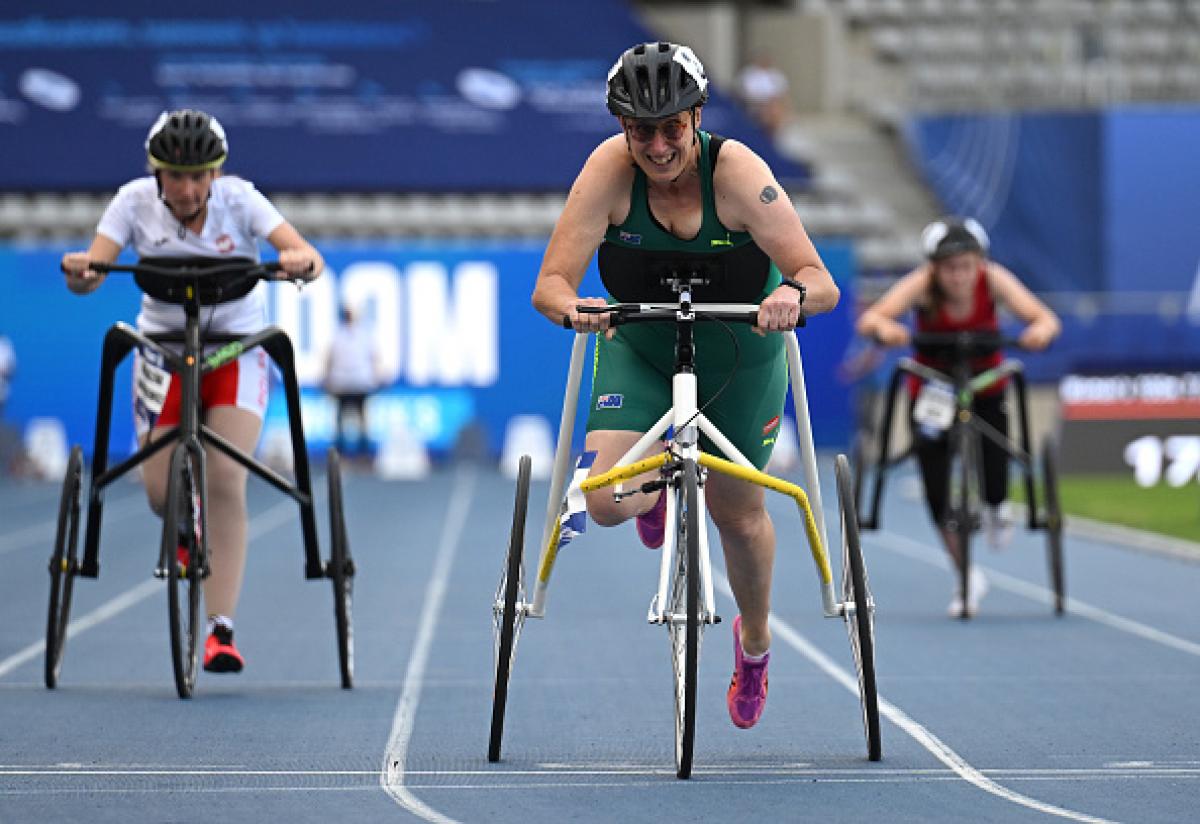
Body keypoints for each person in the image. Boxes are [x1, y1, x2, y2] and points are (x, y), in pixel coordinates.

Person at [531, 42, 839, 730]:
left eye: (673, 127)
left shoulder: (739, 174)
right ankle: (659, 488)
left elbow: (821, 281)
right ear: (622, 128)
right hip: (641, 348)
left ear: (697, 116)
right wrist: (574, 308)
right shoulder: (607, 172)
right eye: (642, 130)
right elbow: (550, 286)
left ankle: (754, 645)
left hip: (739, 353)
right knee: (605, 502)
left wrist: (791, 292)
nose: (659, 145)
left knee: (737, 513)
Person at [60, 109, 324, 672]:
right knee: (159, 492)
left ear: (215, 174)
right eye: (175, 176)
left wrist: (300, 260)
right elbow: (95, 269)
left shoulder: (242, 200)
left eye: (199, 176)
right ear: (156, 175)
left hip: (234, 345)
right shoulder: (131, 202)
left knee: (226, 476)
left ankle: (219, 630)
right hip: (163, 348)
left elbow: (303, 253)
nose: (186, 188)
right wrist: (84, 273)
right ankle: (183, 529)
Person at [855, 216, 1060, 618]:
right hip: (933, 386)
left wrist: (1039, 332)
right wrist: (888, 330)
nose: (959, 276)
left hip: (985, 381)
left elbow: (1046, 318)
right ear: (934, 267)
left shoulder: (994, 279)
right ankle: (966, 575)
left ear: (979, 263)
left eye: (967, 266)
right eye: (950, 268)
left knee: (995, 463)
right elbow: (872, 319)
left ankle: (998, 506)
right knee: (935, 488)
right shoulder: (921, 283)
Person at [323, 304, 379, 458]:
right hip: (342, 382)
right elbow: (329, 358)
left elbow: (374, 358)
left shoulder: (364, 335)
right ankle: (340, 451)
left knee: (361, 417)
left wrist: (376, 377)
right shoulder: (337, 335)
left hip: (360, 381)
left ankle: (363, 451)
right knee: (341, 418)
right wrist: (326, 378)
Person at [734, 54, 791, 139]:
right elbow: (743, 94)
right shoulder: (749, 75)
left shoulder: (775, 75)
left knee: (775, 110)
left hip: (772, 104)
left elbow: (783, 95)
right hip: (753, 105)